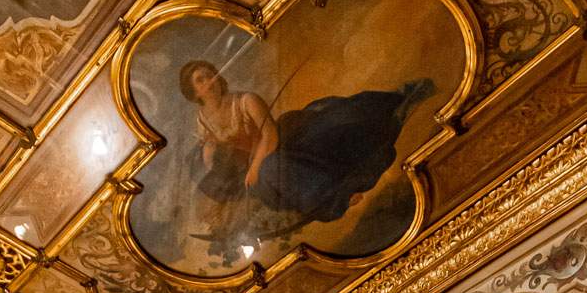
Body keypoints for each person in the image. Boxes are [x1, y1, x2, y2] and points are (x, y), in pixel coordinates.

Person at [179, 60, 435, 232]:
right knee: (267, 182)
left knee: (339, 124)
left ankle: (339, 196)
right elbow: (211, 152)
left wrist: (256, 166)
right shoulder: (203, 120)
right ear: (194, 92)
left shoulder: (245, 101)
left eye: (210, 74)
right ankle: (319, 199)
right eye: (201, 80)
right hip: (257, 168)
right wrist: (210, 160)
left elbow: (269, 135)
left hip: (281, 146)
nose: (209, 81)